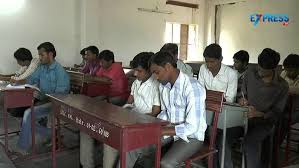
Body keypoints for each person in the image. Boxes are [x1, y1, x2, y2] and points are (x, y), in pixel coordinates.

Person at [117, 51, 207, 168]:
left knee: (166, 164)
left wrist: (163, 131)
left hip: (191, 137)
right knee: (132, 146)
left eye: (157, 72)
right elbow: (165, 112)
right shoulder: (164, 86)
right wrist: (153, 127)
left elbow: (192, 127)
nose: (156, 77)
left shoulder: (192, 87)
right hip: (169, 131)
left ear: (168, 67)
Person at [103, 52, 161, 168]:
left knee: (124, 143)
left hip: (145, 123)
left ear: (149, 70)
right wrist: (123, 111)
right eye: (134, 70)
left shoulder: (156, 85)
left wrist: (135, 118)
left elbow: (155, 112)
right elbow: (129, 101)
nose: (135, 74)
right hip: (131, 120)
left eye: (139, 71)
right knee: (109, 140)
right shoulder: (136, 83)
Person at [237, 48, 288, 168]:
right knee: (223, 134)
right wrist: (241, 100)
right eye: (259, 67)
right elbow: (241, 93)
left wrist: (259, 114)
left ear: (273, 69)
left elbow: (277, 112)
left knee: (250, 142)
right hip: (243, 119)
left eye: (263, 71)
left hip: (264, 123)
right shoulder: (250, 73)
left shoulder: (282, 86)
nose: (259, 72)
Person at [16, 42, 70, 154]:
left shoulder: (60, 71)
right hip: (43, 100)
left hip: (56, 103)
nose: (39, 58)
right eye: (39, 55)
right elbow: (31, 80)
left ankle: (22, 149)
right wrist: (16, 82)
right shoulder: (42, 67)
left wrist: (44, 101)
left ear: (50, 54)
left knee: (27, 115)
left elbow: (61, 95)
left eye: (41, 55)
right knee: (25, 121)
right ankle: (53, 133)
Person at [80, 50, 129, 168]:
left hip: (118, 96)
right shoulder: (103, 67)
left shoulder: (117, 67)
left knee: (98, 103)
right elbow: (97, 76)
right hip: (106, 94)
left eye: (103, 62)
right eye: (100, 62)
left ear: (110, 61)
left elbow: (105, 80)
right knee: (93, 102)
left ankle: (101, 128)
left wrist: (93, 78)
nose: (100, 64)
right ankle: (97, 128)